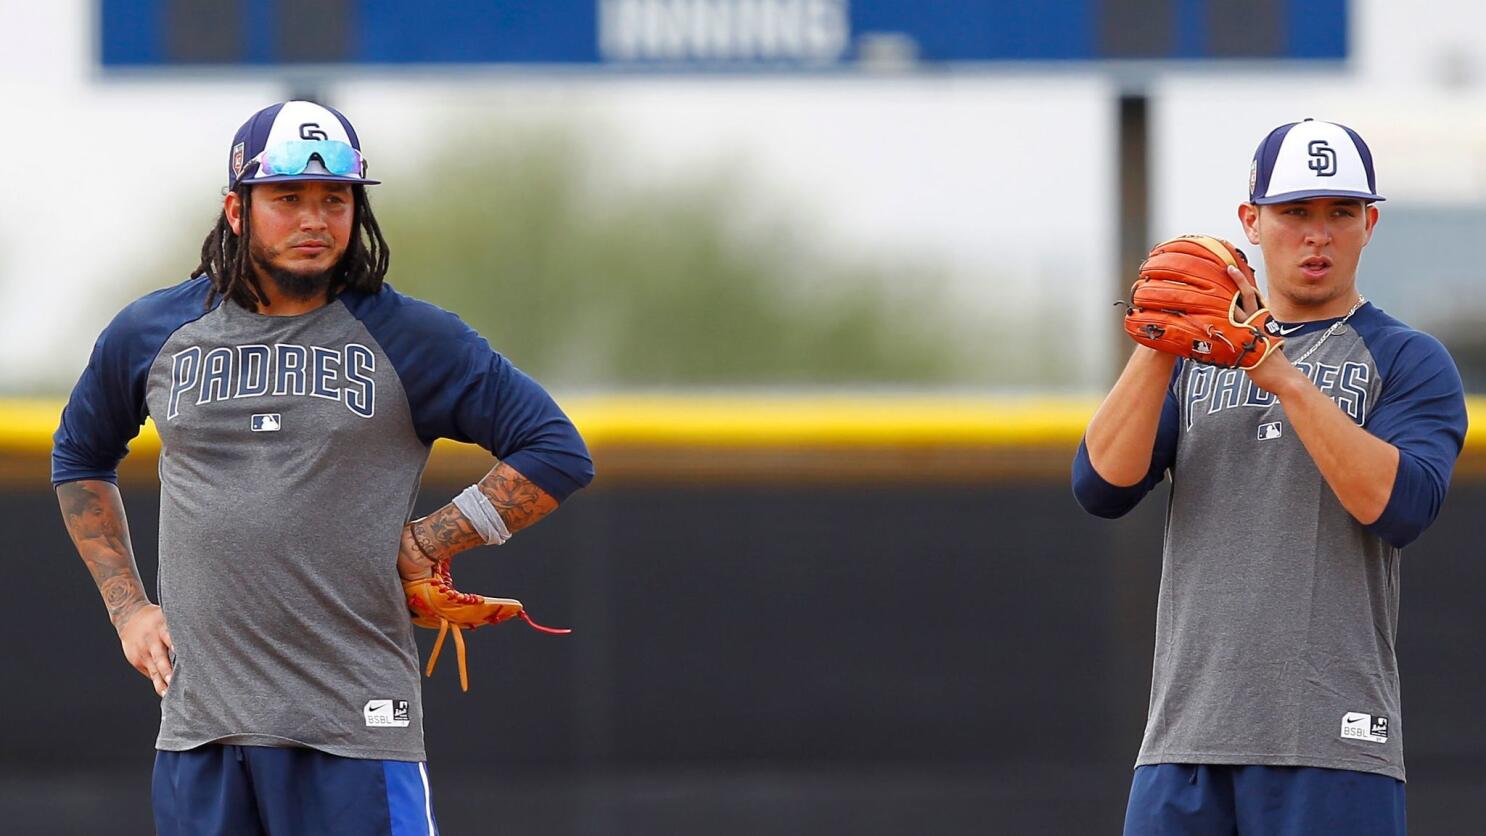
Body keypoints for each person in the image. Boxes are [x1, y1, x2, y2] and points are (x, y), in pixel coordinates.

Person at [52, 100, 594, 834]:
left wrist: (426, 541)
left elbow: (556, 449)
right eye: (287, 199)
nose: (314, 219)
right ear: (237, 211)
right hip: (200, 731)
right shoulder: (155, 332)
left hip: (355, 727)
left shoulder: (409, 336)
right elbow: (81, 455)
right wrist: (128, 609)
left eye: (334, 200)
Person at [1074, 118, 1467, 835]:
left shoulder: (1410, 361)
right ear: (1251, 221)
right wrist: (1159, 341)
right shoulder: (1197, 358)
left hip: (1332, 741)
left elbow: (1400, 506)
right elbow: (1101, 485)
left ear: (1369, 224)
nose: (1317, 235)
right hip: (1184, 742)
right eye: (1294, 213)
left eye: (1339, 213)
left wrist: (1274, 370)